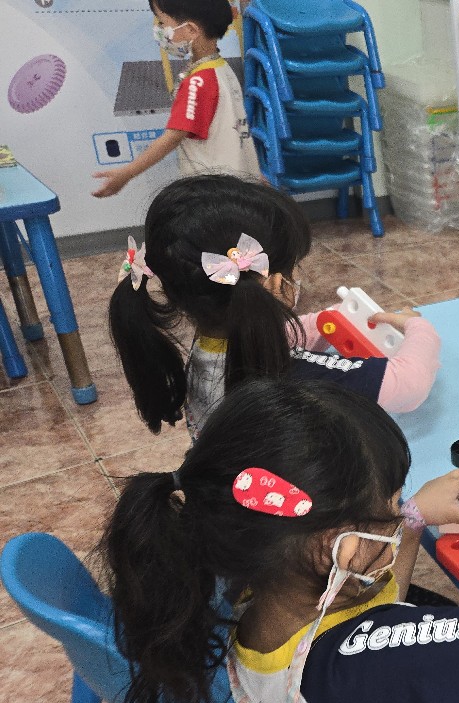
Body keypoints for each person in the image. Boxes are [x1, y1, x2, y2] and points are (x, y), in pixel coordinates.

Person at [101, 379, 459, 703]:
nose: (398, 513)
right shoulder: (372, 665)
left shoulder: (255, 603)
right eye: (392, 504)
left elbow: (375, 616)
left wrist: (412, 518)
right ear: (343, 548)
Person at [109, 174, 439, 435]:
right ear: (277, 284)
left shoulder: (208, 348)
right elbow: (409, 386)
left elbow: (264, 336)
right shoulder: (297, 379)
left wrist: (324, 322)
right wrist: (418, 327)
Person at [93, 0, 262, 198]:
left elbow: (173, 137)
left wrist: (126, 173)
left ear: (191, 30)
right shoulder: (220, 68)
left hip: (214, 195)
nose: (159, 30)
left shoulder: (197, 82)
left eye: (162, 23)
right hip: (239, 186)